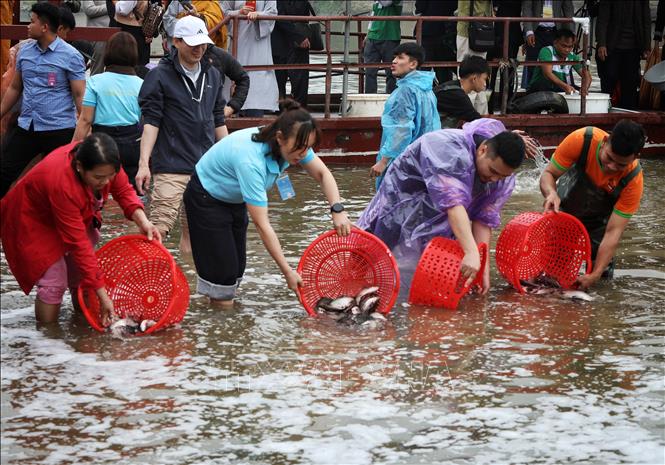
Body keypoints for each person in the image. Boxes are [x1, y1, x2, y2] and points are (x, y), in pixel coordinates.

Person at [183, 99, 353, 306]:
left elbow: (322, 173)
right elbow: (263, 226)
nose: (304, 153)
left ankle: (218, 305)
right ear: (280, 138)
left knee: (236, 270)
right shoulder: (250, 160)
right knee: (223, 276)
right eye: (300, 147)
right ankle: (217, 321)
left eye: (307, 147)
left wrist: (337, 209)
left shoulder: (294, 145)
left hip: (234, 197)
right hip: (206, 198)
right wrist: (287, 272)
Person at [0, 133, 161, 326]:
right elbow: (78, 244)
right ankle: (47, 341)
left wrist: (143, 222)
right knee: (54, 281)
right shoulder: (61, 181)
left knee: (81, 276)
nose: (106, 182)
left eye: (110, 176)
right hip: (32, 219)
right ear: (79, 167)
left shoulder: (106, 162)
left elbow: (124, 191)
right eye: (98, 177)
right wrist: (103, 296)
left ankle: (83, 324)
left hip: (68, 214)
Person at [358, 118, 526, 291]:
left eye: (502, 177)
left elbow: (483, 219)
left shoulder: (500, 176)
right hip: (403, 198)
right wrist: (470, 252)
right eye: (493, 171)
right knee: (377, 246)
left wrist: (482, 269)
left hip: (443, 212)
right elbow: (453, 203)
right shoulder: (448, 149)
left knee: (425, 262)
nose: (495, 179)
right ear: (483, 150)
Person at [136, 15, 227, 253]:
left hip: (205, 167)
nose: (199, 49)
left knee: (195, 232)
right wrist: (144, 164)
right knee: (159, 228)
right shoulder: (159, 76)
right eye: (192, 43)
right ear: (175, 42)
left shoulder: (213, 74)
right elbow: (151, 122)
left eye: (203, 43)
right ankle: (146, 280)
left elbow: (218, 118)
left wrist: (229, 159)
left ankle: (189, 284)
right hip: (171, 165)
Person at [539, 119, 645, 288]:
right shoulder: (583, 139)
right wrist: (551, 193)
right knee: (547, 277)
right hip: (563, 214)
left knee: (601, 285)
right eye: (609, 158)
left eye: (620, 165)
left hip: (599, 228)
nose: (611, 166)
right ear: (604, 142)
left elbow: (613, 232)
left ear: (635, 157)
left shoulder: (633, 180)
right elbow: (549, 174)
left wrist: (595, 274)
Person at [0, 2, 85, 199]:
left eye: (32, 22)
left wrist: (84, 129)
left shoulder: (71, 56)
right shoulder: (25, 52)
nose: (28, 26)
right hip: (27, 126)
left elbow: (80, 95)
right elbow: (15, 88)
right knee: (4, 171)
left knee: (61, 182)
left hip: (59, 129)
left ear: (44, 27)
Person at [72, 31, 143, 190]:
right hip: (132, 142)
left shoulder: (95, 82)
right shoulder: (141, 84)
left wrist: (72, 150)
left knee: (97, 188)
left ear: (108, 52)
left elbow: (85, 120)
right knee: (130, 191)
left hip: (102, 142)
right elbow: (143, 119)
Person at [370, 42, 441, 187]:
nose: (394, 61)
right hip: (425, 158)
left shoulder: (405, 92)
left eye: (400, 58)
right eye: (394, 57)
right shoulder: (427, 89)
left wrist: (384, 161)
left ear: (413, 64)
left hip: (403, 162)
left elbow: (401, 130)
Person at [222, 0, 279, 116]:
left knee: (257, 86)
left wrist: (259, 15)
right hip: (238, 42)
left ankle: (255, 113)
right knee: (235, 75)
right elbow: (223, 12)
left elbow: (272, 13)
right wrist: (239, 12)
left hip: (258, 46)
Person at [595, 1, 651, 110]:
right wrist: (601, 44)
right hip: (612, 46)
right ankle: (603, 110)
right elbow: (602, 19)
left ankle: (628, 113)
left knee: (630, 82)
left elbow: (646, 20)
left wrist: (647, 46)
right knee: (609, 78)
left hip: (634, 46)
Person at [271, 0, 314, 107]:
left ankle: (290, 107)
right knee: (282, 79)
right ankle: (285, 107)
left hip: (291, 43)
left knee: (295, 79)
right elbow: (280, 18)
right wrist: (299, 37)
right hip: (285, 42)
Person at [521, 0, 574, 88]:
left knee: (561, 61)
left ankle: (562, 89)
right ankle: (532, 91)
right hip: (536, 31)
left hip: (556, 31)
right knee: (533, 63)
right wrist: (529, 32)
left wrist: (571, 33)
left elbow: (568, 9)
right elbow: (527, 8)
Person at [527, 28, 591, 96]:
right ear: (555, 43)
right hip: (540, 88)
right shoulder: (546, 51)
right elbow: (547, 74)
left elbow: (587, 76)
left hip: (560, 88)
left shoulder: (572, 56)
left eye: (570, 47)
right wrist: (565, 86)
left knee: (580, 92)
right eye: (563, 46)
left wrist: (584, 88)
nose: (567, 50)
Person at [435, 55, 489, 127]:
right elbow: (478, 121)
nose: (485, 84)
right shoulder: (457, 95)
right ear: (474, 79)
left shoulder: (452, 87)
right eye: (484, 79)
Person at [363, 0, 403, 94]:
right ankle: (370, 97)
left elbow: (386, 3)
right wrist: (368, 34)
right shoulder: (376, 2)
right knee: (369, 72)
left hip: (390, 37)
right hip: (373, 37)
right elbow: (373, 16)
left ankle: (391, 97)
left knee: (391, 71)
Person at [414, 0, 457, 85]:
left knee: (424, 67)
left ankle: (422, 93)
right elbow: (454, 6)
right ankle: (446, 93)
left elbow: (420, 7)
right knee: (443, 69)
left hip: (428, 29)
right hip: (446, 29)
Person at [162, 0, 228, 51]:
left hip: (202, 48)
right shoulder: (178, 1)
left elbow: (214, 21)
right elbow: (167, 18)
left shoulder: (210, 2)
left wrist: (197, 16)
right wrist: (167, 36)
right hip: (179, 46)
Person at [113, 0, 151, 66]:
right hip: (139, 30)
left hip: (130, 31)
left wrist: (115, 1)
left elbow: (123, 10)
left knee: (128, 62)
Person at [82, 0, 109, 75]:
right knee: (97, 67)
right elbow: (89, 10)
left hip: (117, 32)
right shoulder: (113, 5)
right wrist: (111, 6)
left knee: (115, 67)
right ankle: (95, 85)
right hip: (98, 33)